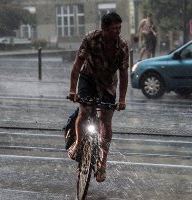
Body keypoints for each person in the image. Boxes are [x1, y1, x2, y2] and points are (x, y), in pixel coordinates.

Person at [67, 12, 129, 182]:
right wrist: (73, 90)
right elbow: (77, 64)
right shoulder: (90, 39)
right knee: (85, 110)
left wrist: (122, 99)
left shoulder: (122, 47)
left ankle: (102, 164)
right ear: (104, 28)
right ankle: (79, 144)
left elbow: (124, 75)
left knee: (106, 121)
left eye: (119, 28)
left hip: (108, 84)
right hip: (88, 78)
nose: (117, 31)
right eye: (114, 28)